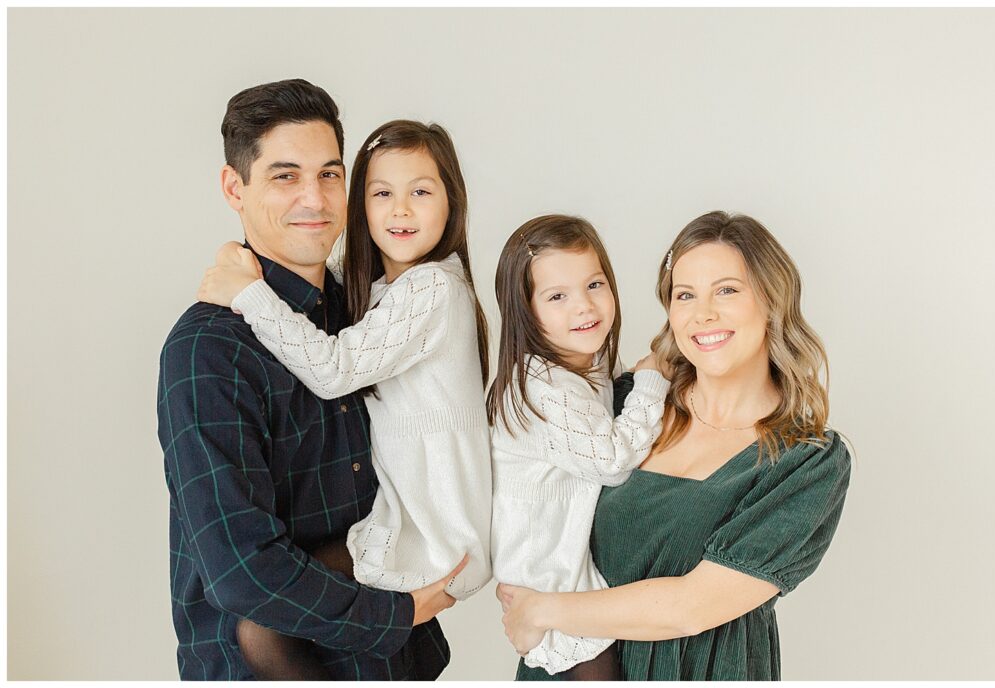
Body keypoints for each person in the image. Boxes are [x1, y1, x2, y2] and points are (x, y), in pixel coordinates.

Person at [157, 79, 463, 681]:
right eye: (284, 176)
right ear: (233, 188)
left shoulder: (367, 316)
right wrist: (395, 614)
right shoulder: (208, 350)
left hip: (388, 665)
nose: (315, 199)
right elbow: (240, 567)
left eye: (329, 174)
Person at [498, 211, 852, 681]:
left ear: (771, 300)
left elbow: (691, 606)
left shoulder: (805, 461)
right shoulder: (627, 405)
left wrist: (543, 611)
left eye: (726, 290)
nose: (703, 314)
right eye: (685, 295)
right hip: (569, 669)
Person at [487, 215, 671, 680]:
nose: (584, 307)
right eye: (557, 296)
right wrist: (651, 382)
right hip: (550, 579)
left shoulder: (577, 368)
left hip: (555, 571)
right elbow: (611, 461)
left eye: (594, 284)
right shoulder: (545, 389)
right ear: (525, 311)